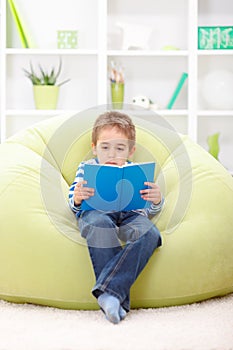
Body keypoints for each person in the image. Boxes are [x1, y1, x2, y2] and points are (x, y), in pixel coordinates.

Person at [69, 111, 164, 324]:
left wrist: (156, 200)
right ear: (94, 147)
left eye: (120, 148)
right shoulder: (87, 168)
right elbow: (73, 199)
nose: (112, 154)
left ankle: (108, 293)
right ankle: (113, 297)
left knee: (150, 233)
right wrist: (77, 198)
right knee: (99, 225)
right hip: (96, 213)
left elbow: (148, 208)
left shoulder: (135, 171)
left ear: (131, 150)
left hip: (131, 215)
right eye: (105, 147)